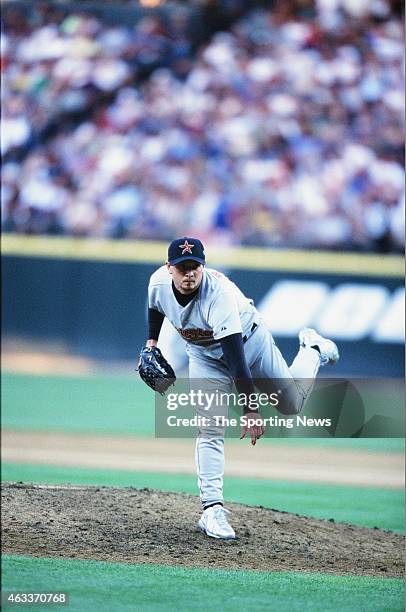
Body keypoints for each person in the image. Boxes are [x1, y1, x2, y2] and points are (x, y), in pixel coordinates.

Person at [144, 237, 339, 540]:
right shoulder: (157, 283)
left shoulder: (217, 295)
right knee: (209, 428)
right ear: (169, 268)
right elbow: (156, 307)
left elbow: (236, 361)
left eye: (194, 266)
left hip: (250, 344)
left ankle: (312, 349)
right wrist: (151, 342)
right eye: (182, 267)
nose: (189, 273)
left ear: (203, 266)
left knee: (291, 404)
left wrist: (250, 409)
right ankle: (211, 509)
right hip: (202, 355)